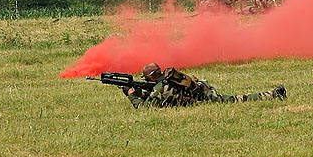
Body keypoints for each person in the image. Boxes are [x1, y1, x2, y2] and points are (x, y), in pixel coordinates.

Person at [121, 63, 287, 108]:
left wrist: (132, 95)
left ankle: (273, 94)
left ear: (151, 77)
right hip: (203, 89)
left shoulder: (160, 88)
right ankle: (273, 94)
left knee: (237, 100)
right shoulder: (168, 79)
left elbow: (146, 108)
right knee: (235, 99)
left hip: (203, 99)